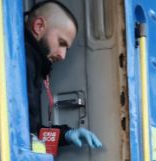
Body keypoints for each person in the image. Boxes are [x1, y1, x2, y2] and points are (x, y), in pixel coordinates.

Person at [24, 1, 102, 149]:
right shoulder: (25, 61)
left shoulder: (33, 62)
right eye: (61, 43)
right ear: (39, 26)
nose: (63, 55)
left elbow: (30, 131)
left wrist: (65, 134)